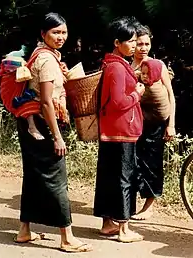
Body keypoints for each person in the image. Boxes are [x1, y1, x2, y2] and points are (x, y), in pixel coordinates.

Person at [14, 12, 92, 253]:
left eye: (64, 32)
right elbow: (47, 102)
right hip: (43, 124)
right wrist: (57, 136)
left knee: (35, 176)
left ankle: (24, 231)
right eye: (55, 32)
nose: (61, 37)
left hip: (31, 123)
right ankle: (67, 237)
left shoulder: (45, 56)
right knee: (57, 179)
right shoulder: (47, 60)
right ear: (43, 34)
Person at [93, 16, 145, 243]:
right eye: (130, 41)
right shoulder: (116, 67)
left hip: (111, 130)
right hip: (121, 129)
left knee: (108, 177)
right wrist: (137, 93)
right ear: (117, 42)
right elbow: (118, 102)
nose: (134, 45)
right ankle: (123, 229)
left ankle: (107, 224)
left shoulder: (112, 65)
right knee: (125, 178)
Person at [131, 25, 176, 220]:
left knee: (152, 163)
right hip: (134, 123)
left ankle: (149, 206)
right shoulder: (128, 67)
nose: (143, 48)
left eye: (146, 43)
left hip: (155, 124)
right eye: (139, 44)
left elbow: (171, 97)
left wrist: (171, 124)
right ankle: (128, 206)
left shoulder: (158, 65)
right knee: (132, 163)